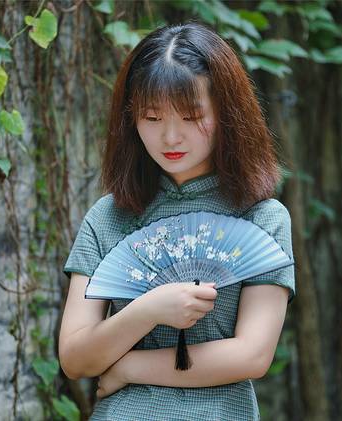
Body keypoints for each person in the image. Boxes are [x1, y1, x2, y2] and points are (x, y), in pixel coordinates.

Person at [58, 21, 296, 421]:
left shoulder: (261, 217)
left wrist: (128, 367)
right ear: (131, 120)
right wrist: (148, 310)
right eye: (152, 118)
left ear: (227, 114)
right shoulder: (108, 217)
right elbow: (75, 358)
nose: (170, 137)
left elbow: (252, 355)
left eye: (190, 116)